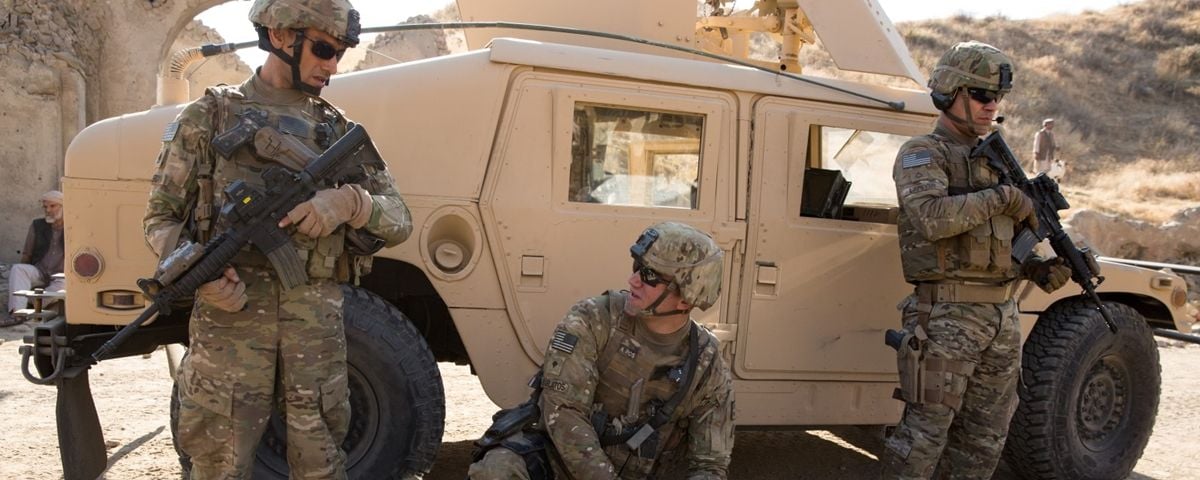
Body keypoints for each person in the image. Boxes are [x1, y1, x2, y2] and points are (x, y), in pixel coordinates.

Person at [142, 0, 412, 478]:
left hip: (315, 334)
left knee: (322, 465)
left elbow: (400, 219)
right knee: (218, 466)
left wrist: (349, 203)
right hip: (229, 332)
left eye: (340, 53)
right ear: (281, 35)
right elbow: (160, 218)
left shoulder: (336, 131)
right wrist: (199, 276)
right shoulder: (209, 117)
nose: (332, 66)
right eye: (324, 49)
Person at [881, 41, 1072, 479]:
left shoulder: (995, 163)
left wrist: (1037, 268)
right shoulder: (923, 153)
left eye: (997, 97)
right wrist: (1003, 198)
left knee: (984, 441)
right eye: (982, 95)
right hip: (946, 315)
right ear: (950, 92)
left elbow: (998, 243)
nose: (992, 106)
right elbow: (931, 218)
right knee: (923, 437)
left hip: (1001, 317)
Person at [469, 222, 735, 480]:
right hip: (556, 463)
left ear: (686, 297)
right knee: (496, 470)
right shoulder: (593, 320)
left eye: (649, 276)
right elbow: (563, 412)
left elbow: (709, 464)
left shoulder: (706, 362)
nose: (633, 280)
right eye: (637, 267)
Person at [4, 190, 66, 326]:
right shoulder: (37, 225)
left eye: (52, 206)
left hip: (61, 276)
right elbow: (27, 254)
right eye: (45, 207)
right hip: (40, 272)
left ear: (64, 206)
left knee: (66, 284)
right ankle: (18, 314)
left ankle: (32, 304)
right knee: (18, 269)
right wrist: (24, 277)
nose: (48, 210)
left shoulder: (73, 227)